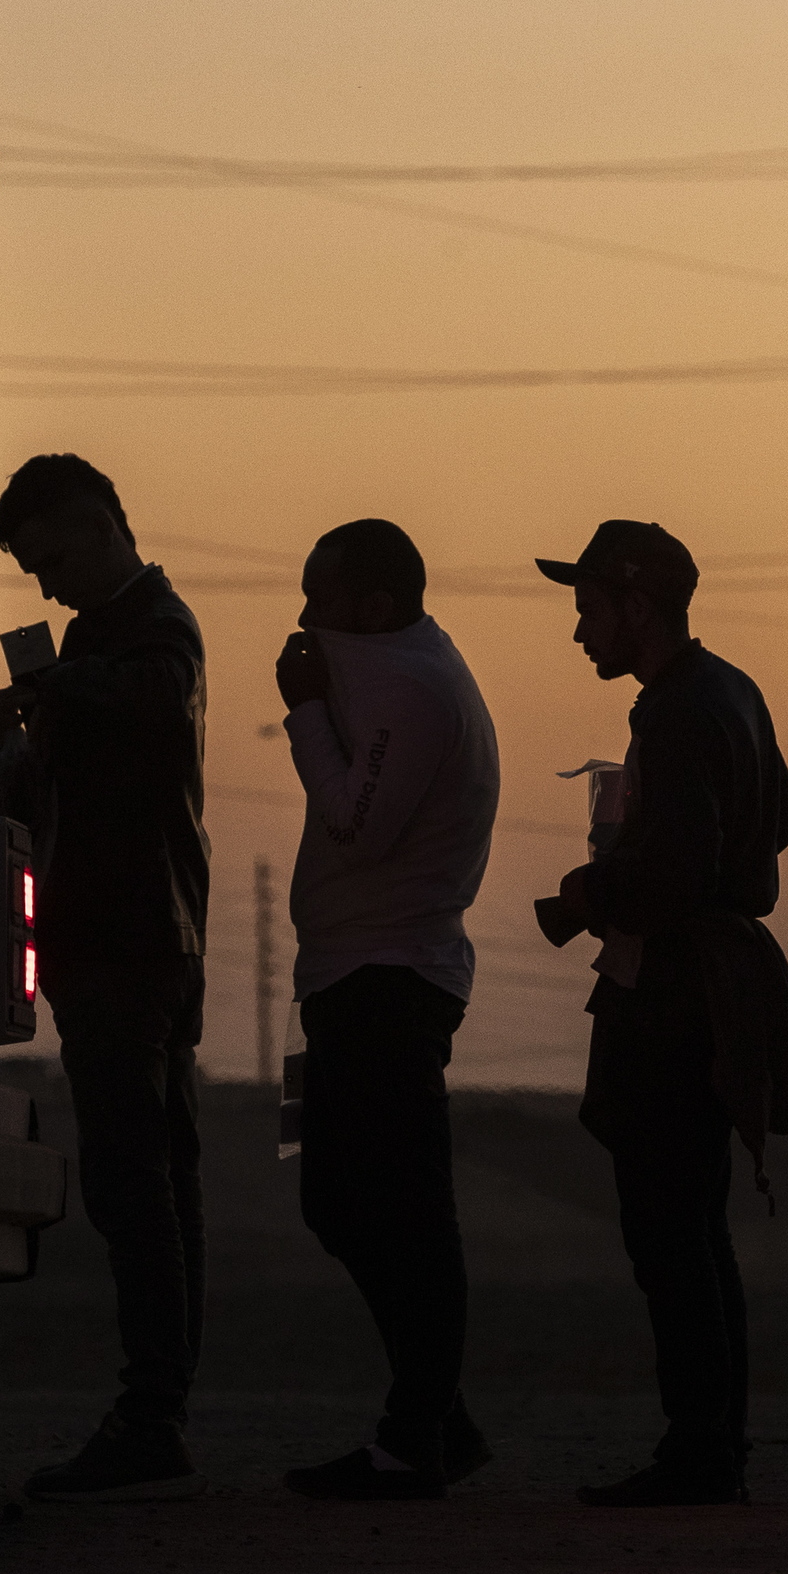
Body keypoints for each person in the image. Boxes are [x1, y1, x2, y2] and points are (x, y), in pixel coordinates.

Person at [535, 521, 788, 1508]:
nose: (580, 632)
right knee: (696, 1224)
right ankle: (710, 1444)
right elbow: (775, 820)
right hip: (717, 983)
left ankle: (700, 1453)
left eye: (589, 610)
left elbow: (672, 874)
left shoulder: (678, 711)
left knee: (667, 1227)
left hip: (679, 994)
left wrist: (586, 891)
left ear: (636, 605)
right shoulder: (730, 690)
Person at [0, 454, 213, 1503]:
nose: (46, 586)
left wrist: (53, 689)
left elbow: (154, 713)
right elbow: (63, 790)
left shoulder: (156, 629)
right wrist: (17, 749)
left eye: (51, 559)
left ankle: (153, 1408)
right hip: (113, 941)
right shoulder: (98, 642)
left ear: (100, 527)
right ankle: (156, 1405)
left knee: (139, 1185)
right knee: (148, 1182)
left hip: (135, 944)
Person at [270, 520, 502, 1500]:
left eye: (317, 596)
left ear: (368, 604)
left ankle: (417, 1434)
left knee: (406, 1211)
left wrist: (303, 712)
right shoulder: (394, 673)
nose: (303, 616)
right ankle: (435, 1414)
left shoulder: (409, 685)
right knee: (337, 1197)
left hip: (389, 985)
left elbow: (356, 826)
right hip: (342, 980)